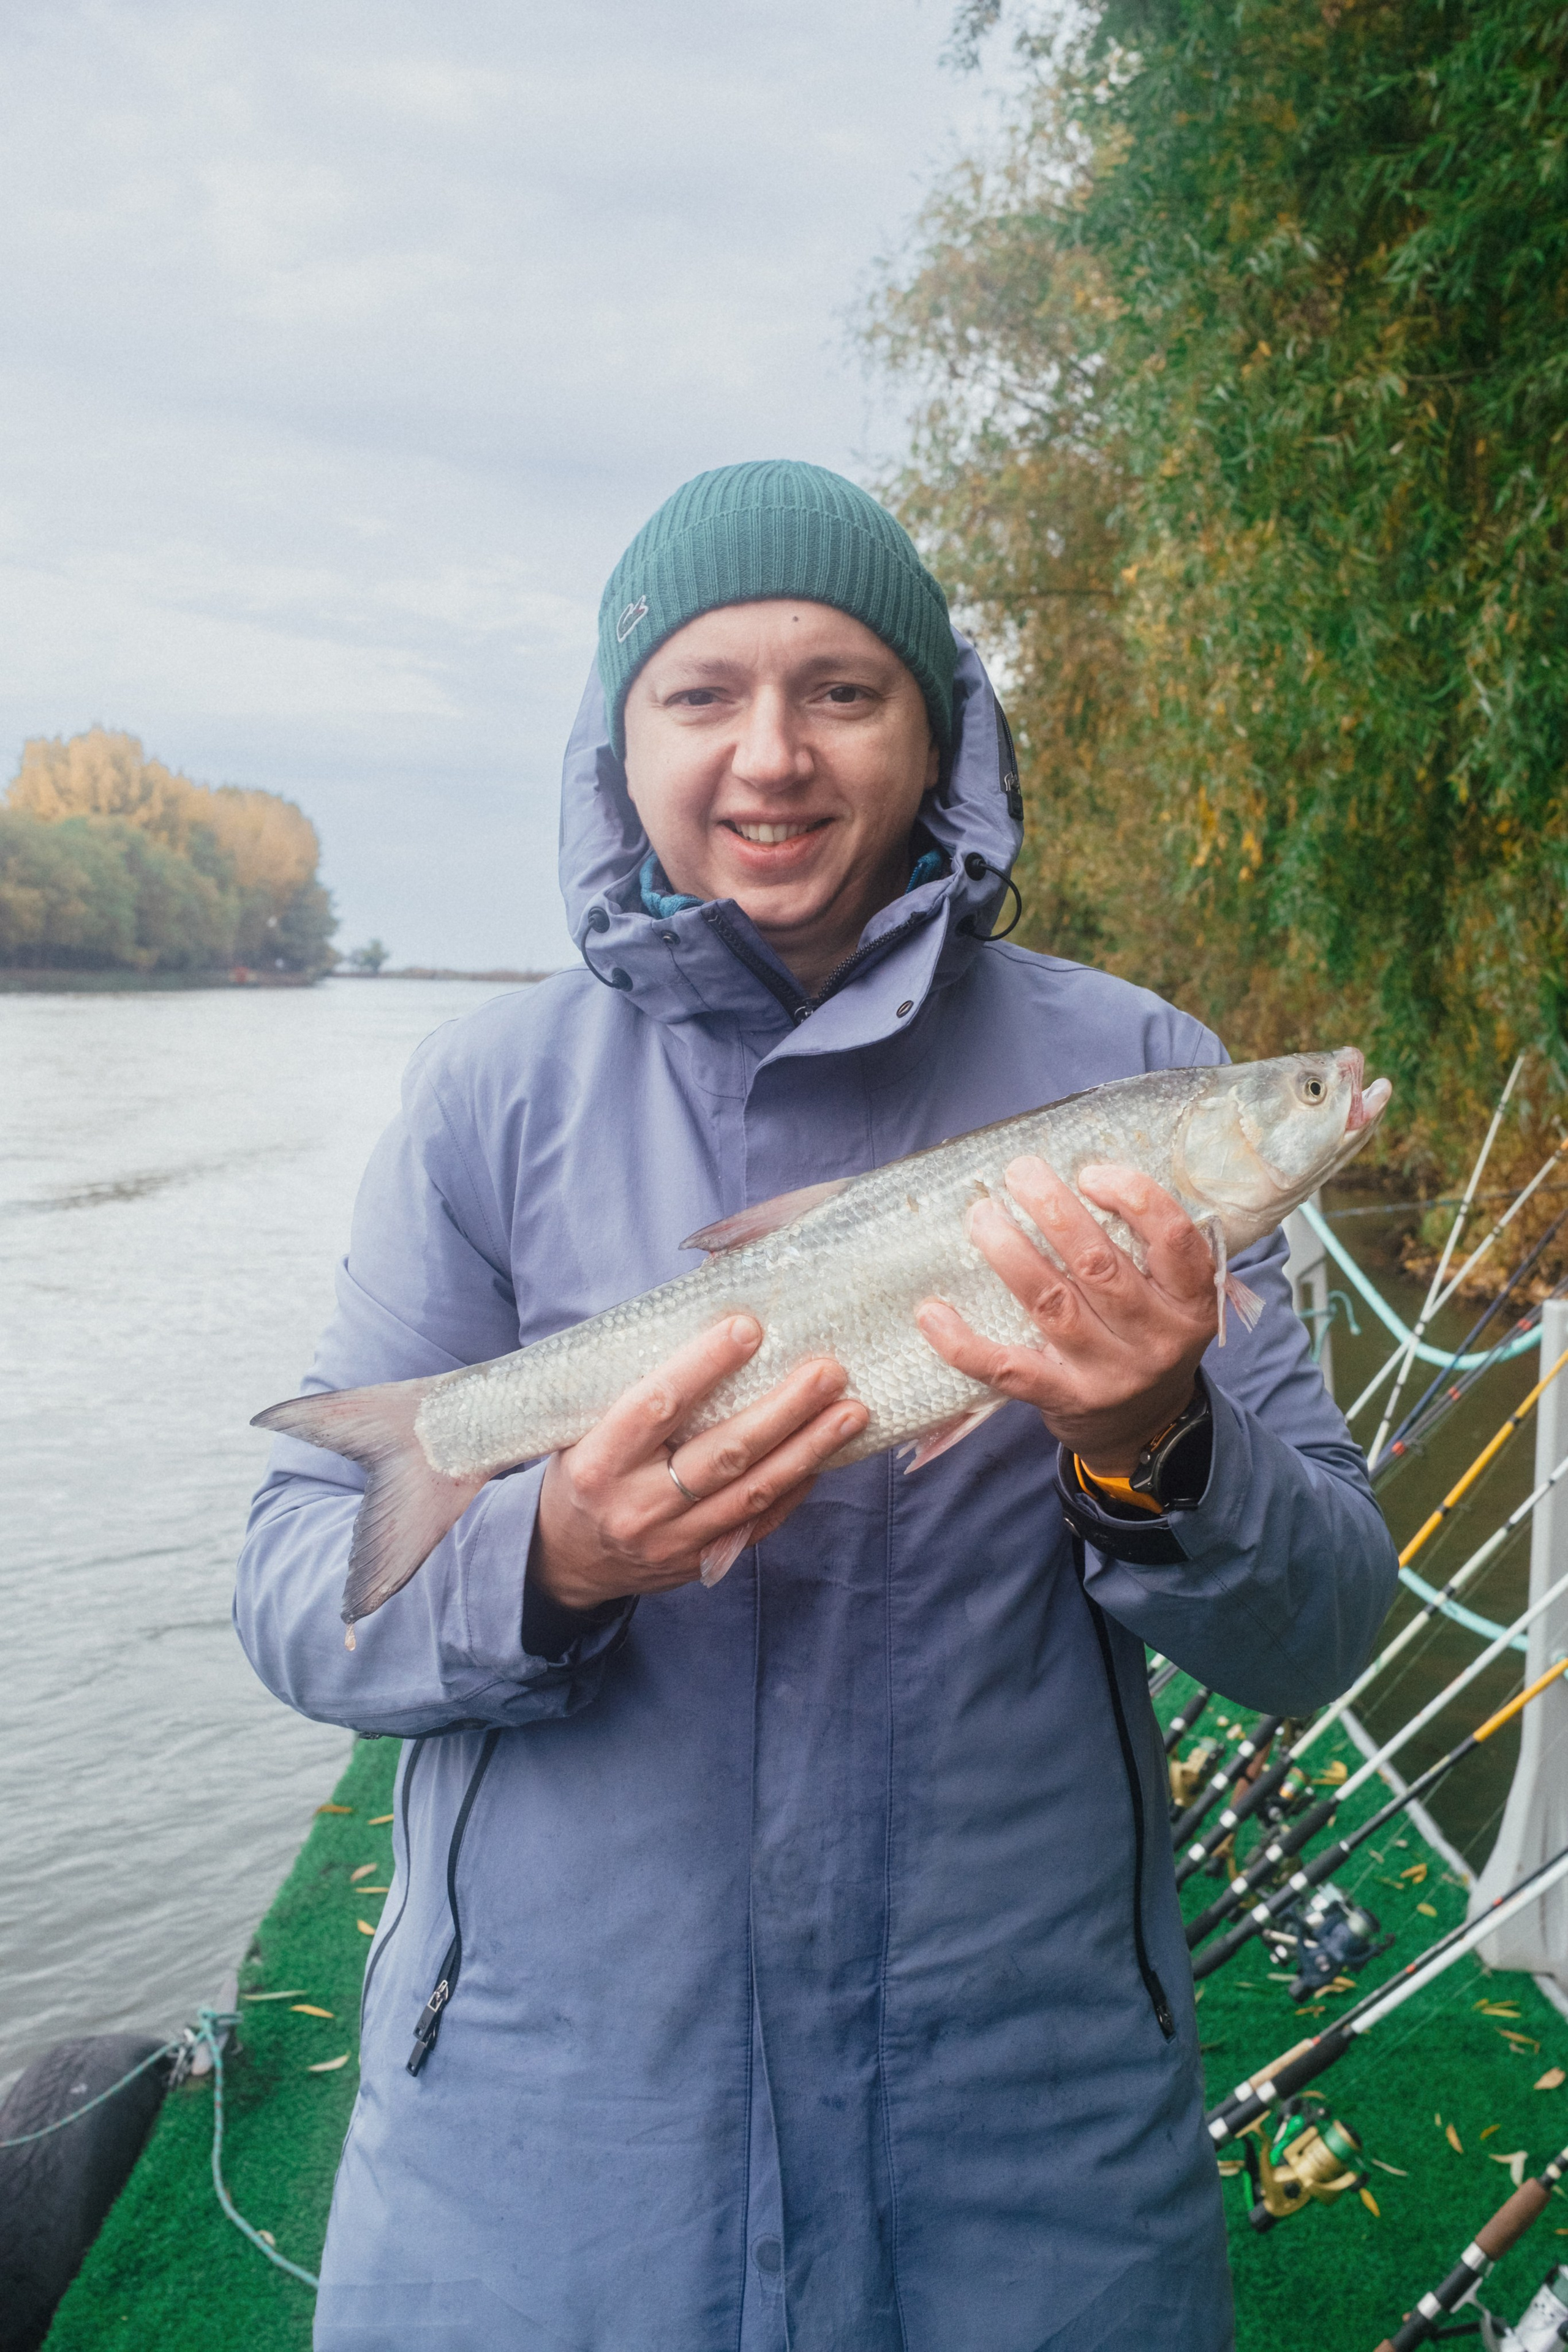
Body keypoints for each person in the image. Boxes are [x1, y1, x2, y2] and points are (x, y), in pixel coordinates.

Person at [236, 459, 1397, 2352]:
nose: (770, 754)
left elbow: (1325, 1629)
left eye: (844, 691)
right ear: (620, 745)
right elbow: (296, 1599)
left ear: (938, 737)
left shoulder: (1144, 1064)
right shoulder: (482, 1095)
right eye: (702, 694)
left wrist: (1155, 1444)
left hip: (1031, 2167)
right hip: (543, 2166)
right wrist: (556, 1558)